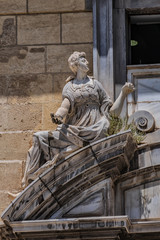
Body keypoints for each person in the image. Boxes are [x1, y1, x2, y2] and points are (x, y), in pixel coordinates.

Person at [22, 51, 135, 188]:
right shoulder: (69, 87)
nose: (87, 62)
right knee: (39, 137)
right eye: (83, 60)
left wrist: (123, 93)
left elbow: (112, 113)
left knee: (105, 124)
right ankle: (31, 179)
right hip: (74, 129)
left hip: (95, 127)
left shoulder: (96, 84)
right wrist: (58, 115)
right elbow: (65, 105)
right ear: (76, 64)